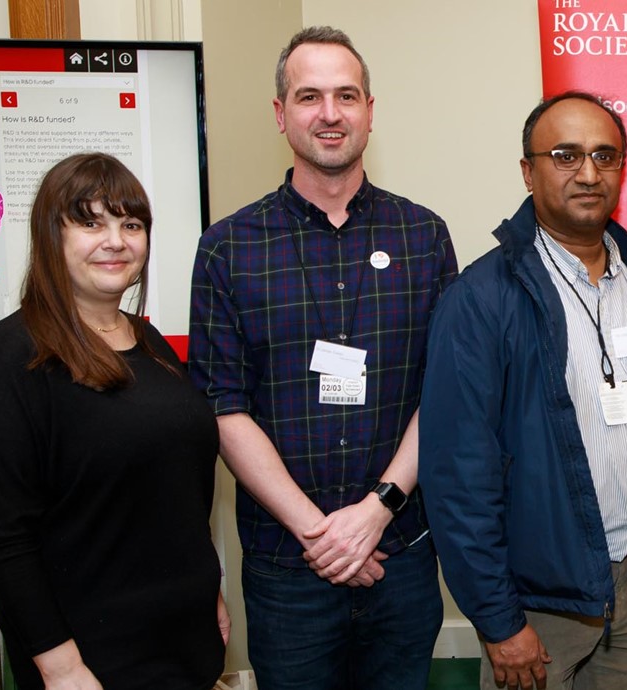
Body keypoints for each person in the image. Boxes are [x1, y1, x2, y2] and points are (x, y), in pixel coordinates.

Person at [188, 26, 455, 689]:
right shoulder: (228, 249)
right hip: (287, 571)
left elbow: (445, 391)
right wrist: (323, 535)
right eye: (309, 96)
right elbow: (223, 407)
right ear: (280, 114)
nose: (329, 114)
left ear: (370, 110)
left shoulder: (424, 236)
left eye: (346, 96)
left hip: (402, 559)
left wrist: (376, 512)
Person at [419, 91, 627, 690]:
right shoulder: (482, 300)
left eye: (606, 156)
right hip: (538, 600)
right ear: (528, 171)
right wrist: (498, 622)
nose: (589, 173)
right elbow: (457, 476)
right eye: (566, 156)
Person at [0, 152, 227, 689]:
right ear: (49, 235)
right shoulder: (12, 357)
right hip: (93, 662)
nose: (116, 240)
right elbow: (5, 537)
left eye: (130, 223)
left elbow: (175, 493)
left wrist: (207, 589)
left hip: (184, 643)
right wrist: (61, 668)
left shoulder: (149, 343)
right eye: (89, 222)